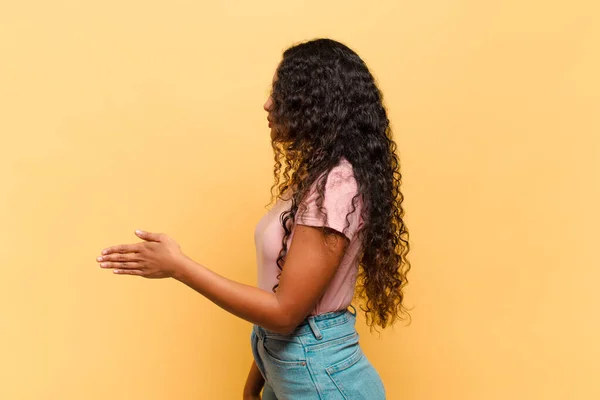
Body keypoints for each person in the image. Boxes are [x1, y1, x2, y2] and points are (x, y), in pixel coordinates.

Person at [95, 38, 410, 399]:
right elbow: (280, 293)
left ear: (317, 102)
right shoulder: (316, 180)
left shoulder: (336, 186)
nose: (268, 103)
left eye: (281, 93)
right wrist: (259, 375)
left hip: (320, 376)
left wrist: (178, 266)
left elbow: (285, 313)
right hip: (291, 364)